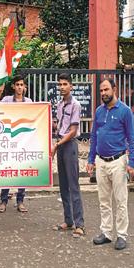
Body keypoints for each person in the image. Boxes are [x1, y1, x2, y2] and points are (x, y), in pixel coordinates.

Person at [86, 78, 134, 250]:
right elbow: (94, 136)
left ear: (114, 89)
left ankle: (121, 235)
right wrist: (91, 159)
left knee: (120, 200)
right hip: (101, 161)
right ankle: (107, 233)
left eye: (106, 90)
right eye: (101, 91)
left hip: (118, 161)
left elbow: (132, 137)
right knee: (104, 200)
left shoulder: (124, 111)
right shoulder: (99, 111)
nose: (103, 93)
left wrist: (132, 162)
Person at [52, 73, 85, 238]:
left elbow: (72, 131)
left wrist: (57, 144)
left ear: (71, 86)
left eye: (65, 84)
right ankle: (68, 220)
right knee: (63, 185)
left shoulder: (75, 105)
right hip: (60, 144)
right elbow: (59, 125)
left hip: (69, 145)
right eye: (60, 84)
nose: (62, 87)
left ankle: (80, 224)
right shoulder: (59, 104)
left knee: (73, 185)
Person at [0, 75, 32, 213]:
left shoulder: (29, 102)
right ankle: (3, 201)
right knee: (7, 171)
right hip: (8, 141)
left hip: (23, 141)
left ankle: (20, 201)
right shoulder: (6, 100)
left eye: (21, 84)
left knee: (22, 171)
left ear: (24, 87)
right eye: (17, 84)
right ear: (13, 86)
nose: (19, 87)